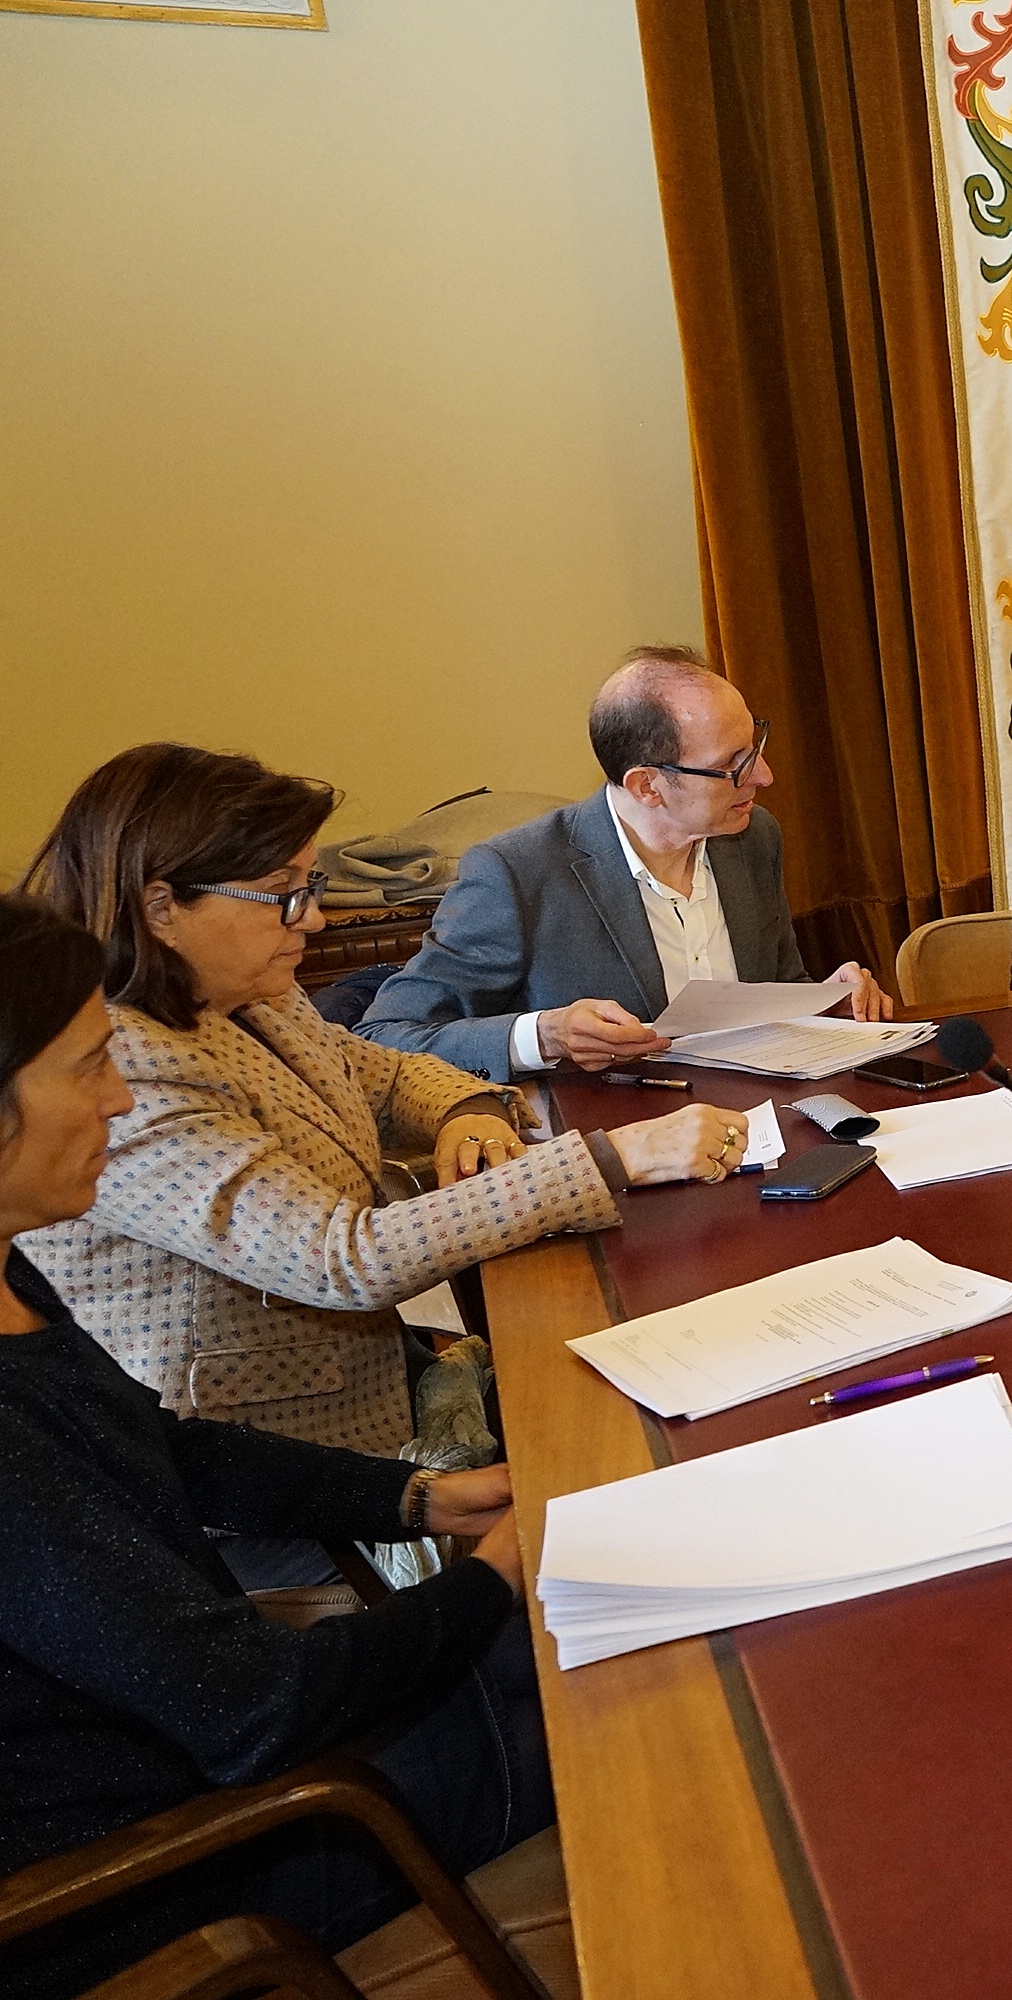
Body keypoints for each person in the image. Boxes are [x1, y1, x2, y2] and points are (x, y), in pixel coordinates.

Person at [0, 895, 552, 1999]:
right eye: (89, 1066)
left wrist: (418, 1498)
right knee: (652, 1707)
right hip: (174, 1868)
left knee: (594, 1645)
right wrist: (491, 1580)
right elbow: (250, 1708)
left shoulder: (11, 1268)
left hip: (209, 1758)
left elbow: (165, 1451)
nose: (118, 1096)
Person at [17, 746, 744, 1528]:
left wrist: (471, 1108)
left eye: (309, 888)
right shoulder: (126, 1069)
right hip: (261, 1469)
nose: (315, 919)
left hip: (376, 1384)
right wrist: (612, 1157)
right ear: (162, 908)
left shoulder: (248, 994)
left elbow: (388, 1074)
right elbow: (341, 1258)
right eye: (283, 895)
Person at [357, 644, 893, 1083]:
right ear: (647, 786)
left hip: (762, 1129)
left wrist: (824, 1002)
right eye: (733, 765)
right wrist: (544, 1034)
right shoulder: (515, 874)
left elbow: (774, 986)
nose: (764, 776)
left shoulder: (752, 838)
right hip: (619, 1146)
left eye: (754, 748)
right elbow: (384, 1039)